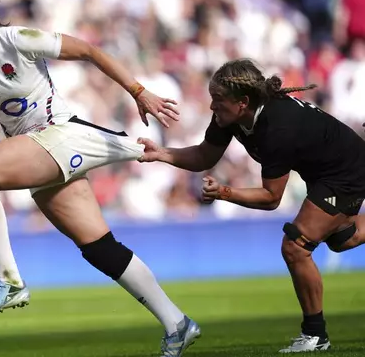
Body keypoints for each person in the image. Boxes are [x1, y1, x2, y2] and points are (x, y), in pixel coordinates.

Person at [0, 0, 200, 357]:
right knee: (100, 248)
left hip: (59, 135)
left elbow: (87, 50)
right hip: (41, 151)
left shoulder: (16, 39)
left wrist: (138, 91)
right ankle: (178, 324)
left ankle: (9, 280)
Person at [138, 58, 365, 353]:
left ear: (243, 102)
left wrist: (224, 192)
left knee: (296, 246)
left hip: (347, 172)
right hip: (325, 171)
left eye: (218, 100)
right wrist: (163, 154)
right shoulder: (230, 117)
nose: (211, 107)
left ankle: (315, 334)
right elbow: (205, 156)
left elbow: (271, 198)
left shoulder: (276, 127)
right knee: (340, 240)